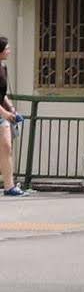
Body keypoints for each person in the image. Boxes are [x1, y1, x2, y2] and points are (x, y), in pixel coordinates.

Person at [0, 37, 22, 197]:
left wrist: (11, 108)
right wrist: (5, 113)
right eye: (7, 48)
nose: (9, 51)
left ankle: (9, 186)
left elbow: (2, 94)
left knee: (7, 147)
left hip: (2, 113)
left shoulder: (3, 67)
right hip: (1, 113)